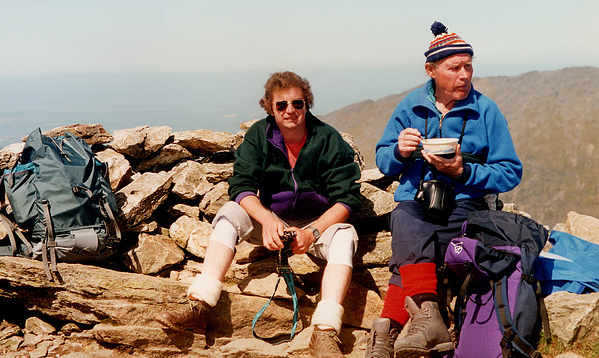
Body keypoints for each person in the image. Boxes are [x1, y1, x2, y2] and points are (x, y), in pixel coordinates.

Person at [156, 71, 362, 358]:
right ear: (270, 107)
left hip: (316, 224)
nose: (290, 110)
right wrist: (267, 220)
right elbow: (241, 187)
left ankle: (325, 333)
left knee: (345, 237)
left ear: (307, 104)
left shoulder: (327, 139)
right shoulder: (258, 136)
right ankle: (199, 306)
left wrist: (312, 232)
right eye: (281, 105)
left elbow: (348, 198)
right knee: (229, 213)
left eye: (298, 103)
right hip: (269, 220)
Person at [365, 22, 523, 358]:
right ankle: (430, 319)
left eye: (468, 66)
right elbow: (383, 157)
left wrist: (464, 171)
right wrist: (399, 152)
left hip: (465, 204)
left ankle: (386, 333)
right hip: (417, 201)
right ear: (431, 70)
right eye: (454, 68)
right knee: (405, 216)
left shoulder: (486, 111)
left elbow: (510, 172)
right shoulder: (410, 105)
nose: (464, 75)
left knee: (411, 249)